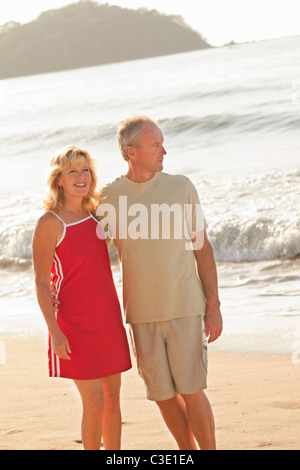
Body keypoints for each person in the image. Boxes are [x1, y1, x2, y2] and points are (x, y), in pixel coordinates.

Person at [98, 115, 223, 450]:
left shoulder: (181, 187)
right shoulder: (109, 197)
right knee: (162, 395)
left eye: (163, 143)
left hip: (185, 306)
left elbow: (203, 248)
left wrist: (214, 306)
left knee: (192, 390)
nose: (164, 151)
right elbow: (84, 244)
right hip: (140, 314)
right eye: (156, 145)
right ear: (131, 151)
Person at [32, 145, 132, 450]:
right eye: (72, 171)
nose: (80, 176)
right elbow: (40, 281)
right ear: (58, 180)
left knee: (113, 399)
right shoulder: (49, 223)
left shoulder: (98, 213)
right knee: (96, 403)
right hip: (74, 323)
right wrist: (55, 331)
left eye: (85, 169)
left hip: (107, 318)